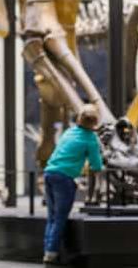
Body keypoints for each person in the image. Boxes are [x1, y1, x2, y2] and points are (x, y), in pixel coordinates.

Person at [42, 104, 103, 265]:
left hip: (49, 173)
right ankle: (52, 253)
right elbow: (96, 165)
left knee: (51, 217)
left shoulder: (69, 132)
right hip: (64, 178)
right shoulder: (90, 138)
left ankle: (48, 251)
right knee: (60, 218)